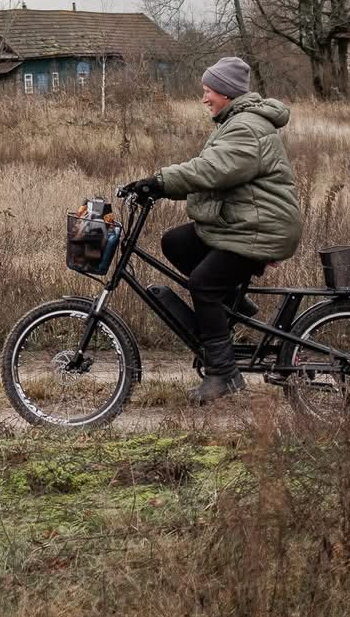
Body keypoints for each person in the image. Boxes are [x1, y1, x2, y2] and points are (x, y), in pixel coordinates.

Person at [122, 56, 299, 405]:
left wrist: (159, 182)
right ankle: (233, 305)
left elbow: (212, 170)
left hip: (260, 226)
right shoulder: (235, 121)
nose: (204, 99)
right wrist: (157, 184)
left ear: (228, 93)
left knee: (203, 283)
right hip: (246, 220)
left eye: (209, 91)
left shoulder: (246, 127)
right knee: (176, 242)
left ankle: (223, 374)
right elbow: (212, 170)